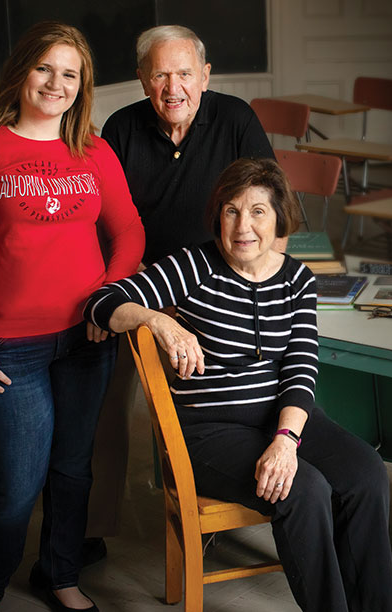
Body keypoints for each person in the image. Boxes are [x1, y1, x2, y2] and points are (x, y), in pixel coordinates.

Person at [84, 158, 392, 612]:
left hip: (284, 419)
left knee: (367, 473)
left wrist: (286, 439)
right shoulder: (193, 266)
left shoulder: (297, 280)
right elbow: (101, 302)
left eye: (258, 211)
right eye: (231, 210)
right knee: (303, 490)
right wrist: (158, 321)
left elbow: (300, 368)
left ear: (279, 219)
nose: (242, 226)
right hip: (212, 430)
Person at [0, 21, 145, 612]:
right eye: (45, 68)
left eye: (70, 74)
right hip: (7, 349)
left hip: (85, 340)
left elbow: (128, 231)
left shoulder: (93, 151)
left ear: (83, 85)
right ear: (21, 71)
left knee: (73, 469)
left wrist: (111, 299)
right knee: (17, 483)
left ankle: (60, 575)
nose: (56, 83)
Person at [84, 24, 275, 553]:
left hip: (217, 287)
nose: (174, 87)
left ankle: (206, 511)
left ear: (205, 76)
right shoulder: (121, 129)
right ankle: (92, 529)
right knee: (104, 405)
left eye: (185, 73)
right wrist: (112, 291)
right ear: (143, 80)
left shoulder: (235, 119)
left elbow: (271, 211)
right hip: (140, 283)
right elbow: (97, 222)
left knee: (212, 407)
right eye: (161, 74)